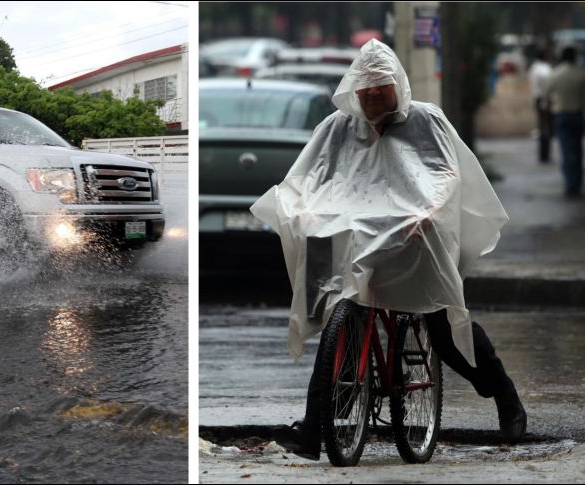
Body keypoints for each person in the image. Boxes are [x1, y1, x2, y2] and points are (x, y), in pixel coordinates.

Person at [250, 39, 526, 460]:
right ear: (354, 89)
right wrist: (301, 211)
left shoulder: (425, 120)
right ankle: (313, 430)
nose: (373, 94)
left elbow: (445, 173)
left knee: (443, 330)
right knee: (335, 325)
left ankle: (505, 397)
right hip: (349, 234)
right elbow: (307, 177)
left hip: (412, 233)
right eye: (366, 87)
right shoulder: (337, 127)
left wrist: (429, 212)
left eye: (381, 86)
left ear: (398, 85)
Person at [547, 46, 585, 197]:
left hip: (561, 115)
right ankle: (576, 182)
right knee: (577, 150)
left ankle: (570, 183)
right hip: (577, 115)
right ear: (575, 56)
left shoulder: (556, 74)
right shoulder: (581, 74)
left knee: (565, 150)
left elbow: (548, 95)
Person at [528, 50, 553, 163]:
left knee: (542, 126)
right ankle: (545, 154)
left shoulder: (533, 68)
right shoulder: (544, 68)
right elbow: (547, 82)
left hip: (538, 98)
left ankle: (543, 154)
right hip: (545, 99)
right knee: (546, 128)